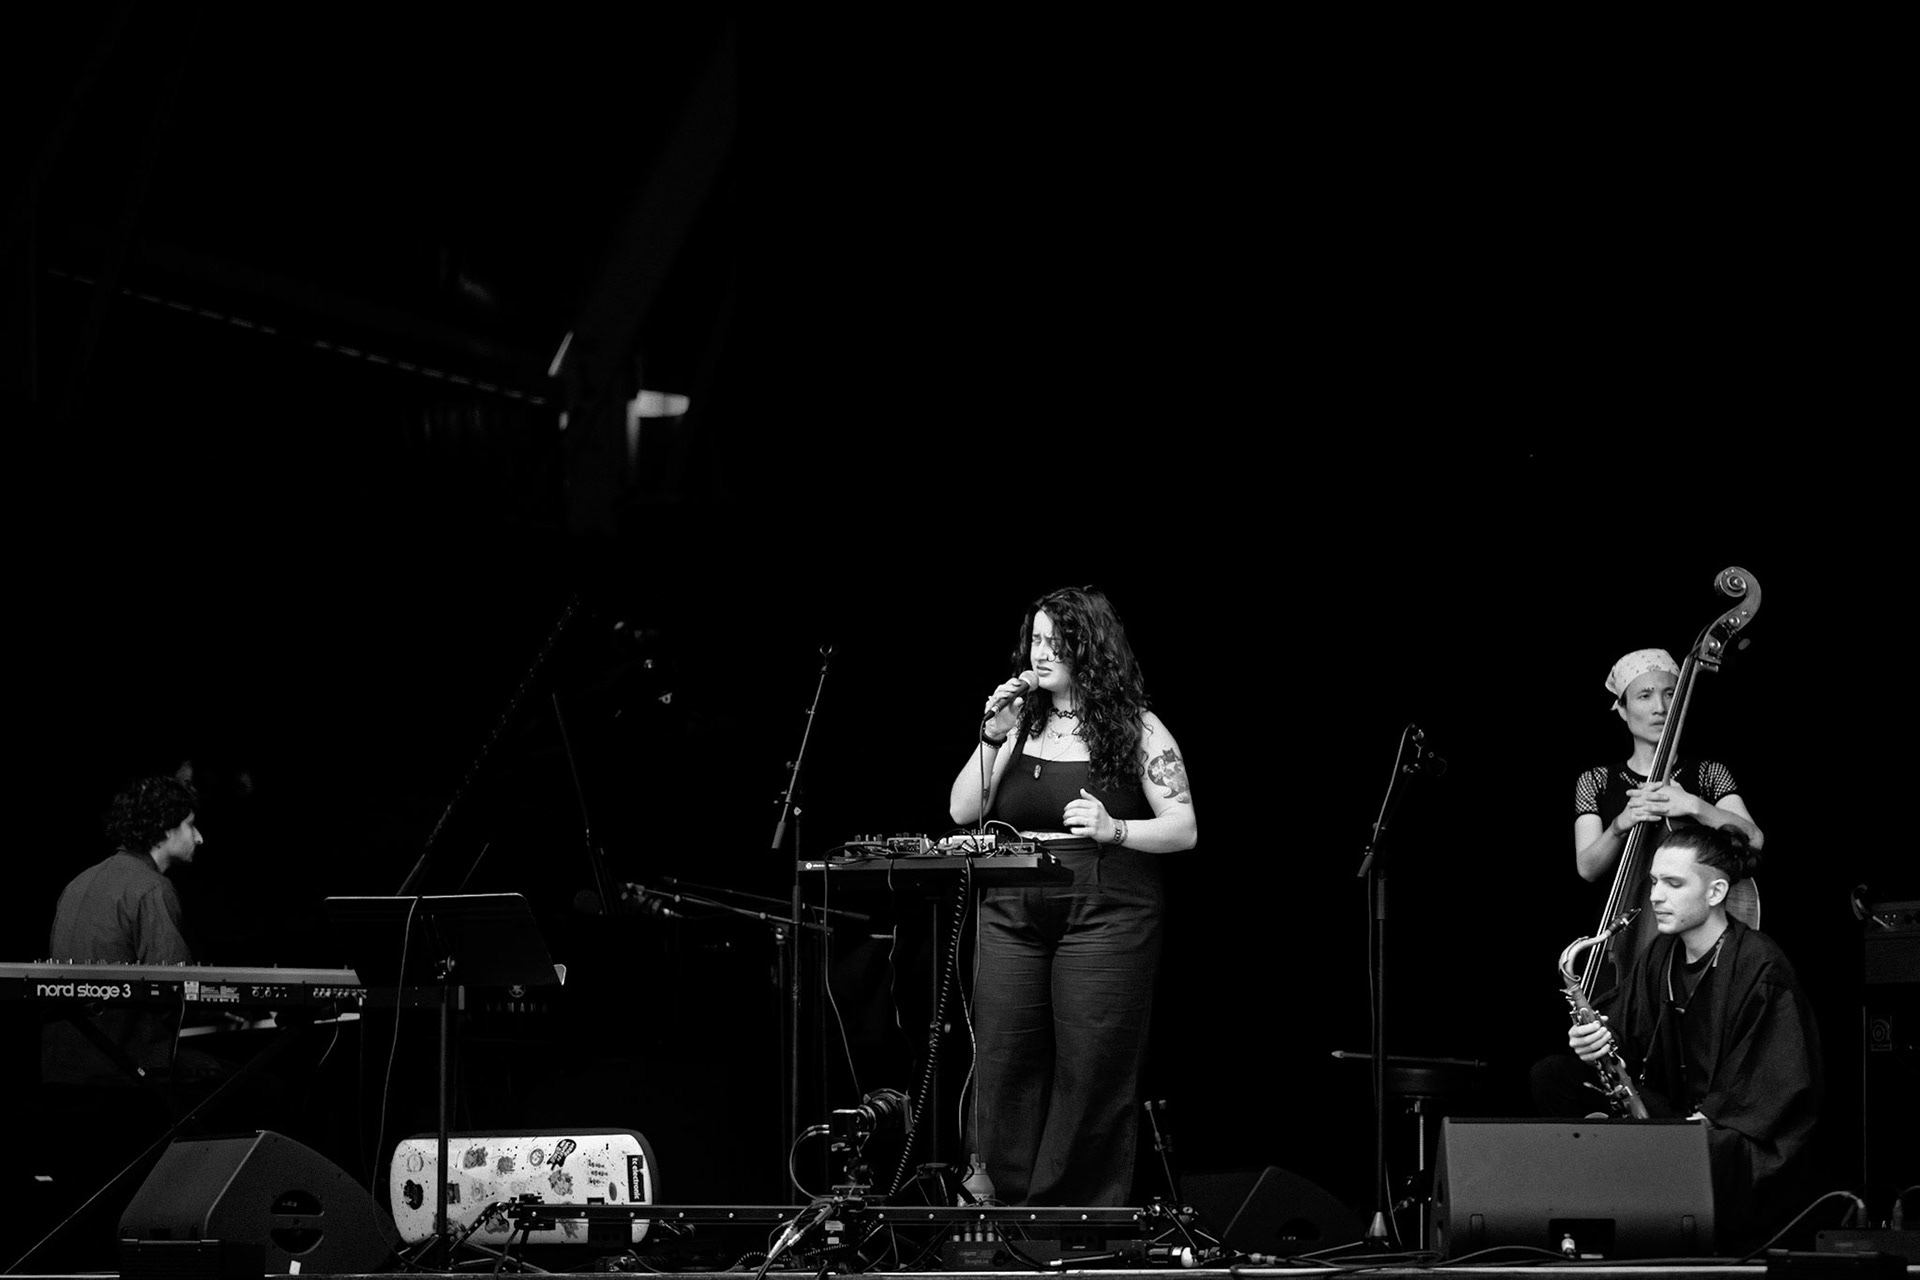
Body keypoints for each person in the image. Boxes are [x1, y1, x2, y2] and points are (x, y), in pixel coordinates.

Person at [947, 585, 1197, 1205]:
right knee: (1001, 1058)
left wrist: (1116, 829)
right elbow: (961, 810)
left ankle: (1070, 1220)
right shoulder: (1019, 722)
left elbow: (1184, 829)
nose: (1041, 652)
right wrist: (990, 735)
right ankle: (995, 1215)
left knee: (1091, 1066)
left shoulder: (1137, 727)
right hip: (1012, 903)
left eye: (1057, 641)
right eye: (1034, 639)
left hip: (1105, 908)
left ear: (1090, 649)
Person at [1534, 823, 1822, 1250]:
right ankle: (1599, 1211)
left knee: (1707, 1148)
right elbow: (1622, 1036)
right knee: (1552, 1075)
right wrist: (1591, 1039)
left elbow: (1772, 1087)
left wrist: (1704, 1121)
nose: (1655, 896)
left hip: (1736, 1136)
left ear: (1715, 892)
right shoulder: (1660, 954)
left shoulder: (1761, 967)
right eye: (1653, 882)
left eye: (1673, 883)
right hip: (1673, 1121)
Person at [42, 774, 207, 1086]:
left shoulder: (77, 883)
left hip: (61, 1067)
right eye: (190, 824)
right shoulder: (152, 888)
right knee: (263, 1089)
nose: (199, 837)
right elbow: (177, 994)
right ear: (165, 828)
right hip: (126, 1069)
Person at [1575, 648, 1764, 886]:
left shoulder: (1710, 773)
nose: (1661, 709)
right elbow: (1587, 869)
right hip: (1622, 919)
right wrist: (1618, 826)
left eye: (1670, 694)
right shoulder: (1595, 780)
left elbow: (1754, 840)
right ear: (1622, 709)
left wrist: (1692, 805)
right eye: (1645, 696)